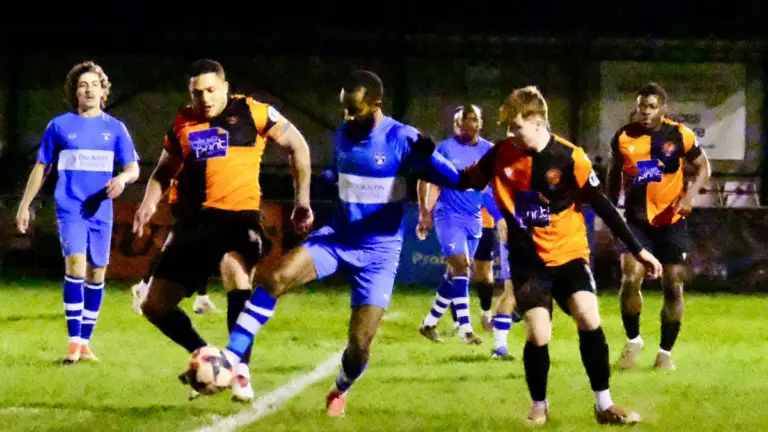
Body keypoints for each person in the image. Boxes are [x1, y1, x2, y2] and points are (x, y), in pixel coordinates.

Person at [205, 70, 464, 417]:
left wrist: (429, 155)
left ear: (377, 104)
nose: (346, 117)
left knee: (359, 347)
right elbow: (344, 177)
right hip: (337, 238)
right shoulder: (345, 131)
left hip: (379, 253)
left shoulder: (402, 138)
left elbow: (456, 179)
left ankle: (340, 388)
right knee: (275, 280)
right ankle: (232, 357)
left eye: (353, 110)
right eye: (343, 109)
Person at [456, 85, 662, 425]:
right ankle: (539, 405)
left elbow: (605, 208)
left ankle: (604, 405)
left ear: (537, 122)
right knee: (538, 333)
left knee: (587, 316)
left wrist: (640, 251)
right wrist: (424, 163)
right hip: (528, 261)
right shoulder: (502, 154)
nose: (510, 135)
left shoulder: (570, 158)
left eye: (516, 127)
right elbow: (465, 180)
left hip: (568, 255)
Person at [131, 59, 312, 402]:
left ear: (226, 87)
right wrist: (147, 203)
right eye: (197, 92)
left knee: (234, 267)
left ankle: (241, 372)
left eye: (211, 90)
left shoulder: (254, 112)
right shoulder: (183, 121)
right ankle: (213, 359)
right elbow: (163, 171)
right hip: (196, 224)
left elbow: (298, 146)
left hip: (240, 217)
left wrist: (302, 200)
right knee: (153, 305)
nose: (205, 98)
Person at [16, 61, 140, 364]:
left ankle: (85, 342)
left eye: (94, 84)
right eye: (82, 85)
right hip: (70, 206)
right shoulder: (59, 125)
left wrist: (123, 179)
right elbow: (42, 167)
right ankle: (73, 343)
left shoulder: (115, 128)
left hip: (101, 208)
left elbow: (133, 168)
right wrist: (24, 204)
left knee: (97, 272)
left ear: (103, 90)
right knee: (75, 266)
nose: (88, 89)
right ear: (75, 91)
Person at [608, 82, 711, 371]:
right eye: (642, 106)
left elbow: (704, 167)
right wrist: (610, 207)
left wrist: (690, 197)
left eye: (652, 106)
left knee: (673, 285)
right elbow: (614, 173)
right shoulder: (624, 137)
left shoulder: (679, 134)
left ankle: (665, 353)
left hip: (671, 222)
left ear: (663, 109)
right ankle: (634, 340)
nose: (646, 112)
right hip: (636, 222)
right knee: (631, 277)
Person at [416, 104, 492, 345]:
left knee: (454, 274)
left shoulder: (489, 150)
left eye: (471, 119)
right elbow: (424, 178)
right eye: (461, 120)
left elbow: (498, 184)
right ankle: (465, 329)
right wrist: (424, 212)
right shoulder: (445, 149)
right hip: (448, 216)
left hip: (474, 217)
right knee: (462, 266)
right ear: (455, 124)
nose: (466, 124)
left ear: (479, 123)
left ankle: (429, 323)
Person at [131, 176, 218, 316]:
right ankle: (144, 286)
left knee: (201, 248)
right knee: (182, 248)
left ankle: (201, 297)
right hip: (187, 198)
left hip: (201, 197)